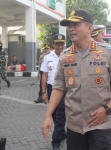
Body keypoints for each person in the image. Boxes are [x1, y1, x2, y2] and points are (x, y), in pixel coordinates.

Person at [42, 9, 111, 150]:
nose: (71, 29)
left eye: (76, 25)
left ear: (89, 28)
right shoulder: (65, 56)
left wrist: (107, 109)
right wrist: (47, 116)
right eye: (69, 26)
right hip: (75, 126)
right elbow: (58, 88)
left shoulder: (107, 52)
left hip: (102, 123)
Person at [41, 34, 66, 150]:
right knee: (55, 114)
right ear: (53, 44)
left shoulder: (69, 54)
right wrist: (43, 92)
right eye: (57, 44)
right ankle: (62, 132)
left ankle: (56, 141)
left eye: (62, 44)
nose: (60, 46)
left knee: (61, 114)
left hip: (65, 89)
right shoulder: (47, 57)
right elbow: (44, 75)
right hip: (51, 88)